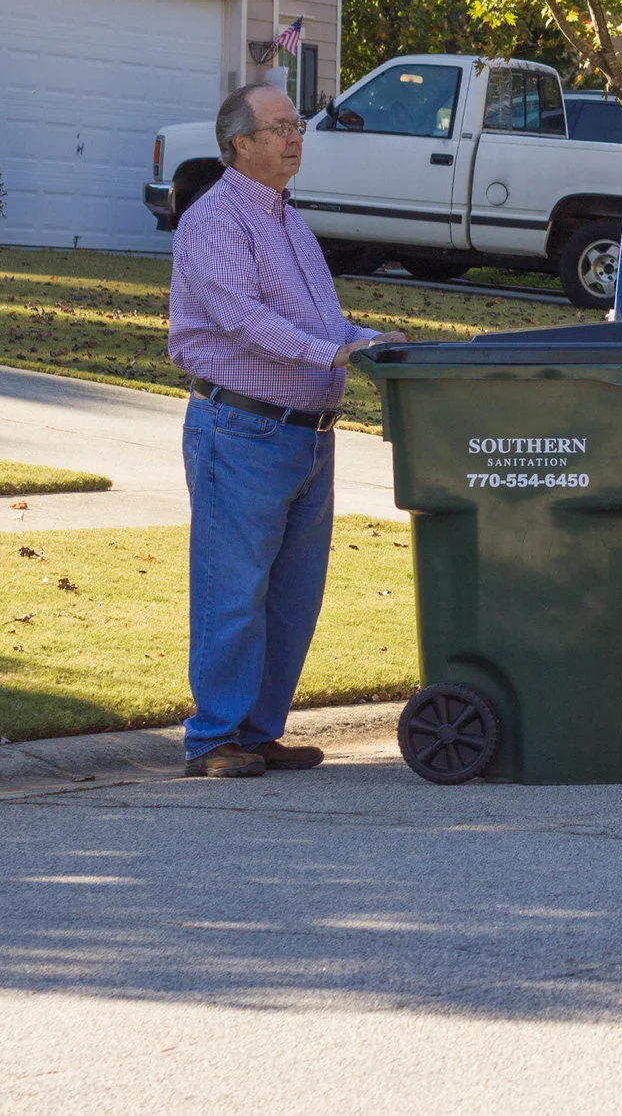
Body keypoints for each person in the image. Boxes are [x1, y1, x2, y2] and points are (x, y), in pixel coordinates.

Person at [168, 82, 403, 777]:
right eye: (279, 128)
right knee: (233, 590)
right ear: (240, 143)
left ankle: (258, 730)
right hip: (242, 430)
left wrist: (366, 341)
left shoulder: (286, 220)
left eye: (297, 125)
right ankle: (214, 739)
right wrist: (331, 354)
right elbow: (244, 319)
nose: (295, 137)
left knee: (293, 597)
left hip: (307, 437)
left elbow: (319, 322)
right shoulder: (217, 220)